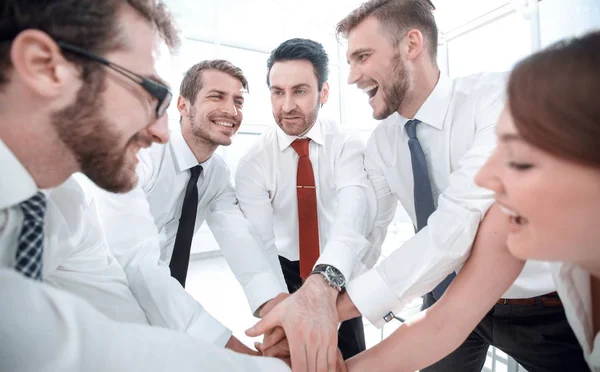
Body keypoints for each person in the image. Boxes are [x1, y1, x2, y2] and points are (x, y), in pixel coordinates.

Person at [247, 1, 587, 371]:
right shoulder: (380, 143)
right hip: (447, 300)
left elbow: (453, 227)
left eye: (362, 57)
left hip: (542, 310)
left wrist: (326, 308)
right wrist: (319, 295)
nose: (352, 76)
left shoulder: (495, 99)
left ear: (411, 45)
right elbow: (366, 234)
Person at [0, 0, 290, 370]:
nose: (159, 131)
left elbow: (122, 329)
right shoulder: (137, 164)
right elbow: (134, 268)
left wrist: (275, 309)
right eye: (147, 92)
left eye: (238, 102)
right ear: (44, 67)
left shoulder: (64, 208)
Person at [343, 30, 600, 372]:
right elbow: (442, 324)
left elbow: (449, 230)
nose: (483, 180)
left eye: (519, 159)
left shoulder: (485, 97)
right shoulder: (506, 222)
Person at [91, 59, 288, 354]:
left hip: (161, 304)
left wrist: (279, 314)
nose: (232, 112)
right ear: (183, 105)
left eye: (238, 101)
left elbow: (241, 241)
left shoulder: (217, 173)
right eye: (216, 96)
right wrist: (237, 354)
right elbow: (135, 262)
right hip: (97, 302)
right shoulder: (140, 155)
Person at [236, 38, 377, 360]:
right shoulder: (253, 162)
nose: (286, 106)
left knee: (350, 354)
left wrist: (330, 277)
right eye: (277, 91)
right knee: (290, 356)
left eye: (299, 91)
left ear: (323, 92)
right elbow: (261, 243)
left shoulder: (346, 145)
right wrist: (277, 307)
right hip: (283, 268)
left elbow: (353, 215)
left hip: (337, 264)